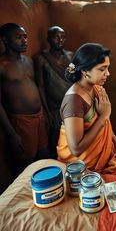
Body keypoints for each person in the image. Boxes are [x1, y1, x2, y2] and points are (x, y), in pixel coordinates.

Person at [57, 43, 116, 173]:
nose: (108, 73)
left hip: (98, 154)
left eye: (107, 68)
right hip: (79, 165)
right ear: (85, 71)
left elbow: (106, 123)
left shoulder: (96, 88)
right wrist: (103, 117)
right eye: (102, 69)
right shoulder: (74, 101)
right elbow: (76, 149)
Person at [0, 23, 49, 175]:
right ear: (6, 40)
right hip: (21, 122)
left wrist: (45, 113)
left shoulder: (28, 61)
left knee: (44, 156)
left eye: (25, 36)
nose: (24, 40)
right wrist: (11, 133)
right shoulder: (1, 66)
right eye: (19, 37)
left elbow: (36, 87)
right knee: (26, 165)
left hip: (39, 117)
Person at [34, 26, 73, 158]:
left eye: (63, 37)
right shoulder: (42, 58)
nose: (60, 40)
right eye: (56, 37)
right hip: (55, 109)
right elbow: (41, 86)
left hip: (72, 106)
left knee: (74, 138)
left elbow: (76, 81)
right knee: (57, 142)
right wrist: (46, 111)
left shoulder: (70, 56)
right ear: (48, 39)